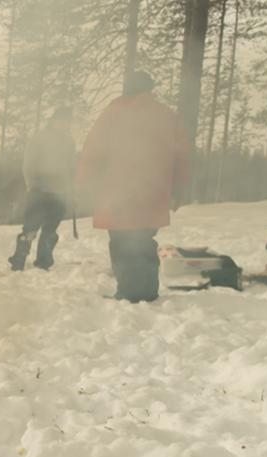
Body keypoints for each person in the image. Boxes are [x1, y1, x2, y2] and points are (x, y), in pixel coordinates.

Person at [78, 71, 189, 303]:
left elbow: (93, 152)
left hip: (116, 192)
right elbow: (181, 156)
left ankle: (128, 291)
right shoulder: (166, 115)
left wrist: (85, 185)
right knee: (144, 240)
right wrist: (178, 190)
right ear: (149, 89)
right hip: (153, 192)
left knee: (121, 241)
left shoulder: (113, 113)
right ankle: (147, 290)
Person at [9, 107, 75, 271]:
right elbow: (28, 164)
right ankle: (19, 260)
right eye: (61, 121)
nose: (64, 124)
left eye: (67, 121)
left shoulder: (69, 142)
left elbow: (71, 167)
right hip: (39, 189)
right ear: (53, 121)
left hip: (59, 191)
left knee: (50, 229)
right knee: (31, 227)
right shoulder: (39, 139)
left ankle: (44, 262)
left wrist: (71, 188)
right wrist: (32, 184)